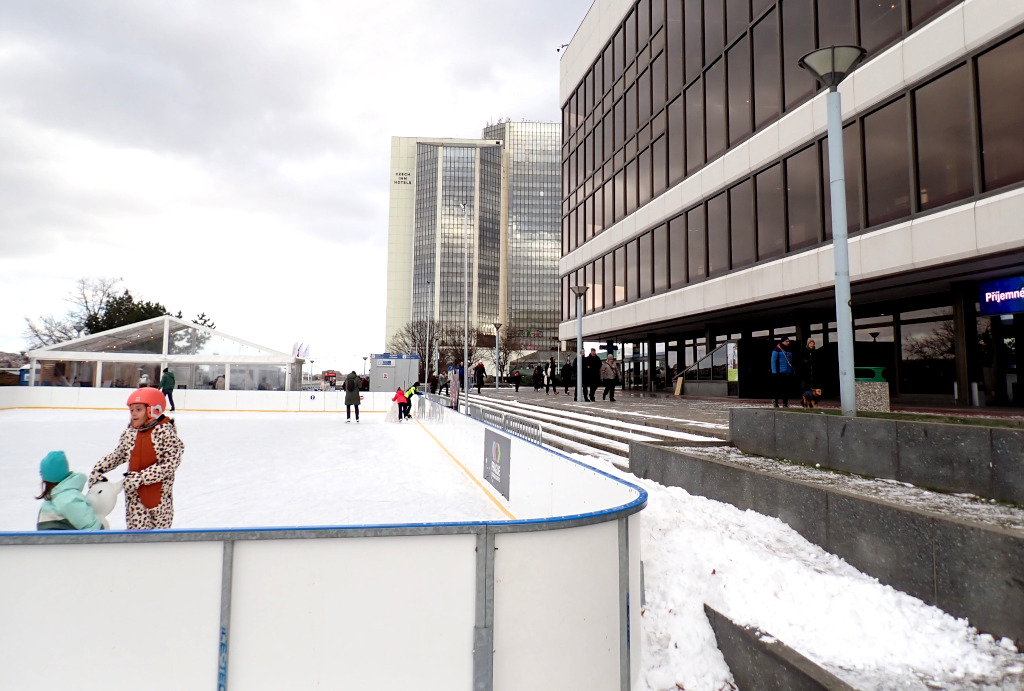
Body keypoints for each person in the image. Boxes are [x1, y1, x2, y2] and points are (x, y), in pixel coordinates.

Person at [89, 388, 184, 530]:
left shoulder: (165, 433)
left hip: (160, 501)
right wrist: (98, 469)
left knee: (159, 543)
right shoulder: (130, 434)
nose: (133, 413)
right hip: (135, 501)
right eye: (131, 410)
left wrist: (140, 478)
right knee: (137, 540)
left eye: (138, 409)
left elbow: (169, 464)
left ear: (154, 410)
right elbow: (118, 455)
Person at [36, 450, 103, 530]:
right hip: (58, 541)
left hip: (62, 542)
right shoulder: (59, 498)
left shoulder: (67, 499)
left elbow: (92, 529)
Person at [770, 337, 796, 408]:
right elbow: (773, 361)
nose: (788, 342)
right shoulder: (777, 350)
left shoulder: (789, 350)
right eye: (787, 341)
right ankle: (775, 401)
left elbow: (791, 362)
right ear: (783, 342)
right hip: (779, 372)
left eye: (789, 341)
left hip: (787, 372)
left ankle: (785, 403)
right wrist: (774, 372)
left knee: (786, 389)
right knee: (778, 388)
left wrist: (793, 370)